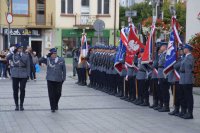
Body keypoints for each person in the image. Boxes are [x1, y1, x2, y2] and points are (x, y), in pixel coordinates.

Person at [40, 48, 66, 112]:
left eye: (55, 53)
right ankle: (53, 107)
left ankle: (56, 103)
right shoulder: (48, 59)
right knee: (51, 94)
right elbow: (40, 60)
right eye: (52, 54)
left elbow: (64, 69)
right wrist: (46, 56)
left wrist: (64, 78)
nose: (54, 55)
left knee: (58, 93)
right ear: (51, 54)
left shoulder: (61, 59)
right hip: (50, 79)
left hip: (59, 79)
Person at [6, 44, 30, 111]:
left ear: (22, 49)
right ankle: (16, 105)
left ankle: (21, 104)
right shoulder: (13, 55)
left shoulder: (26, 55)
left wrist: (28, 74)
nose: (20, 49)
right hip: (15, 73)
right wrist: (12, 52)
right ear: (16, 49)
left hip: (23, 73)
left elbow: (28, 65)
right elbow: (7, 58)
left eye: (21, 48)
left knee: (22, 89)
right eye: (18, 48)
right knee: (15, 90)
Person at [179, 44, 194, 119]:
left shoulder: (189, 57)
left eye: (185, 48)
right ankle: (183, 111)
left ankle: (189, 113)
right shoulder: (186, 57)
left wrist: (187, 81)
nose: (183, 49)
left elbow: (187, 70)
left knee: (188, 97)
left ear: (188, 49)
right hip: (183, 79)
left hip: (187, 80)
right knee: (183, 96)